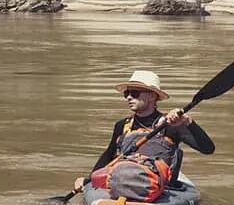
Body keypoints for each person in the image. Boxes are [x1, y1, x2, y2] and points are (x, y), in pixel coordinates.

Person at [73, 70, 214, 193]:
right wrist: (90, 179)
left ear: (152, 96)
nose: (128, 97)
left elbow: (208, 149)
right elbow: (109, 155)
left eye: (134, 93)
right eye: (127, 93)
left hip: (160, 187)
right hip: (124, 180)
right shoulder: (122, 125)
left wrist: (188, 123)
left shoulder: (171, 125)